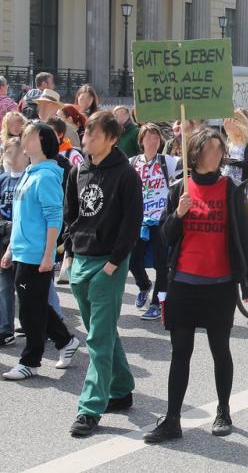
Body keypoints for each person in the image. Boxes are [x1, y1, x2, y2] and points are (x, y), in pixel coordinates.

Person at [143, 127, 248, 444]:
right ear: (194, 153)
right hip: (183, 283)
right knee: (180, 352)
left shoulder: (232, 189)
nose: (216, 154)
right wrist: (178, 213)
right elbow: (166, 237)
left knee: (221, 349)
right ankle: (172, 419)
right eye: (209, 149)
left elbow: (244, 238)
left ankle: (223, 410)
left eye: (219, 149)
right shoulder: (180, 187)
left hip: (219, 285)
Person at [64, 111, 143, 437]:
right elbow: (72, 213)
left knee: (97, 336)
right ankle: (122, 389)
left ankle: (90, 408)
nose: (87, 140)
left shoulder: (126, 174)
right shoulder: (78, 170)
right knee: (104, 331)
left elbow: (131, 223)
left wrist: (114, 264)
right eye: (86, 135)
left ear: (111, 139)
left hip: (108, 263)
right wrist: (69, 250)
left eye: (94, 136)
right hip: (81, 260)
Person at [1, 123, 78, 381]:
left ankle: (30, 361)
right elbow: (21, 216)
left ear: (43, 141)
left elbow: (54, 218)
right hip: (23, 251)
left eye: (29, 136)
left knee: (29, 311)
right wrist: (11, 249)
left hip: (37, 254)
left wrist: (48, 255)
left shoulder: (46, 175)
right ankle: (66, 341)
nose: (23, 139)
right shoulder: (29, 172)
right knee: (35, 305)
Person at [128, 123, 179, 321]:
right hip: (139, 221)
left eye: (157, 137)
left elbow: (189, 160)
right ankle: (143, 285)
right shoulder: (132, 163)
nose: (154, 141)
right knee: (133, 261)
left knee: (161, 264)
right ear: (141, 141)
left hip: (161, 220)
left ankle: (157, 304)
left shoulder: (167, 161)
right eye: (149, 137)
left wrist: (184, 136)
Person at [0, 138, 27, 346]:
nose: (8, 154)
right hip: (3, 235)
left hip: (21, 236)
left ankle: (41, 325)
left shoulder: (28, 178)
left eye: (13, 150)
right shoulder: (2, 179)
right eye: (6, 150)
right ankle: (5, 329)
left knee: (26, 286)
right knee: (4, 284)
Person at [221, 109, 248, 187]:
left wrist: (230, 161)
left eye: (231, 123)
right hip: (227, 178)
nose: (229, 127)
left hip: (241, 181)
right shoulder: (230, 138)